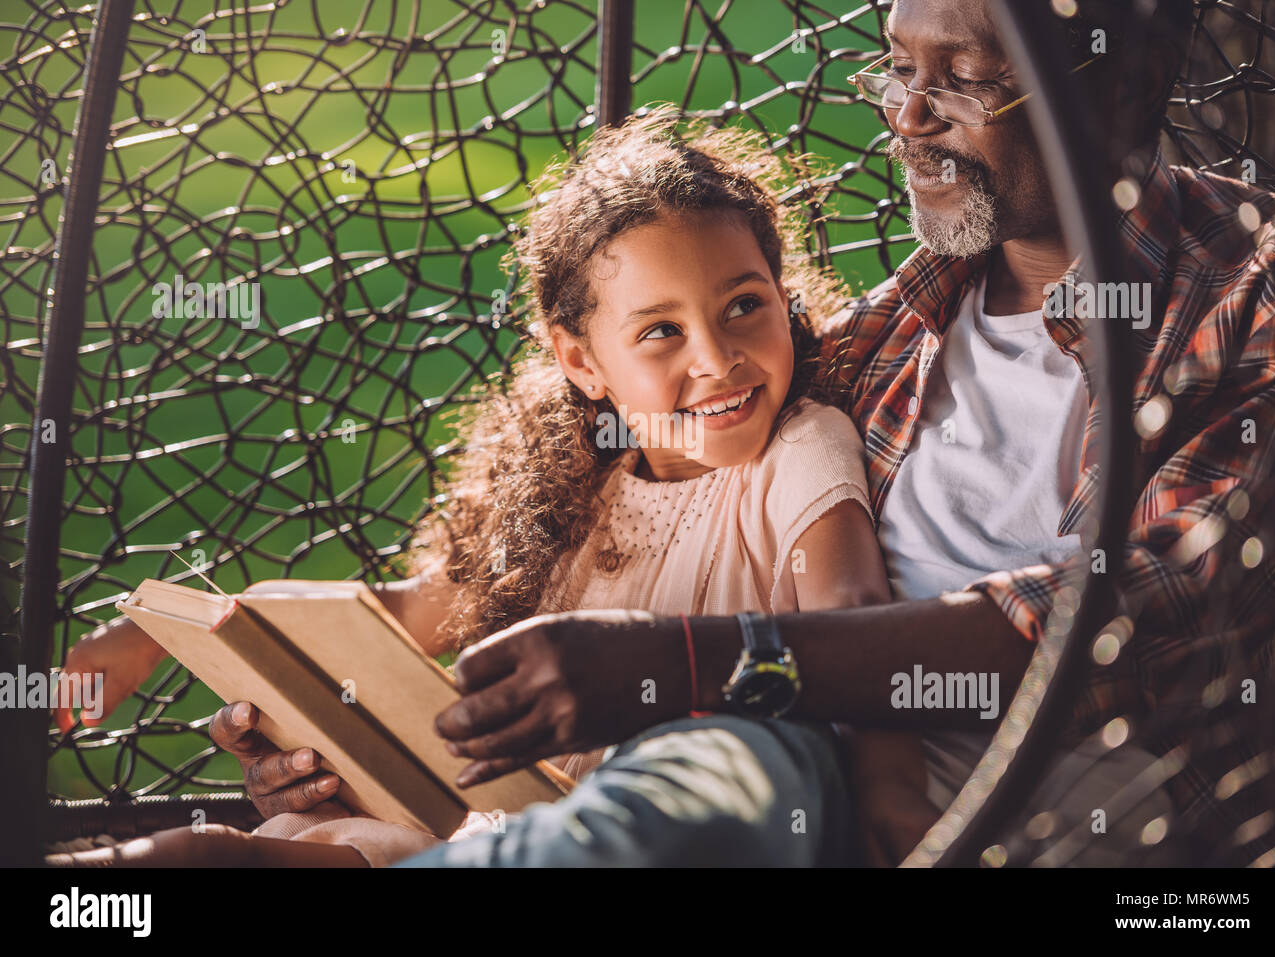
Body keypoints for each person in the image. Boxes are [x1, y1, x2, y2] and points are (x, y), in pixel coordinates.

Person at [50, 108, 917, 867]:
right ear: (582, 361)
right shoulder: (580, 492)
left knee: (229, 857)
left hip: (661, 829)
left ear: (782, 293)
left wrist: (893, 807)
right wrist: (155, 637)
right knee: (289, 840)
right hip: (498, 829)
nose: (718, 358)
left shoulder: (799, 448)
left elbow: (851, 624)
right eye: (661, 330)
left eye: (744, 305)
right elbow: (392, 613)